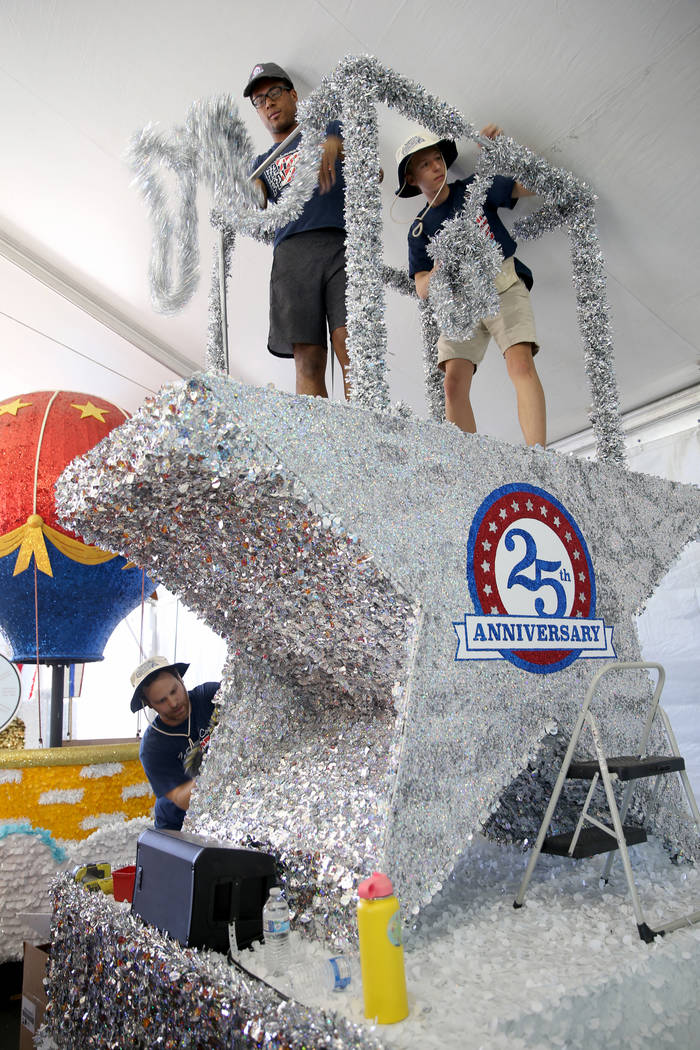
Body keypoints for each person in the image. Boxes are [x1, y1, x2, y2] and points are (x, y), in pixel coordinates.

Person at [396, 128, 547, 447]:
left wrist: (502, 151)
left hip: (500, 282)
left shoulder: (473, 189)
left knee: (519, 361)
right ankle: (469, 464)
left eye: (438, 159)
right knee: (452, 383)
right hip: (458, 302)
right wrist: (441, 265)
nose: (436, 167)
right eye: (425, 164)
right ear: (412, 178)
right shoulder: (420, 229)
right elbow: (422, 287)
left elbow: (534, 184)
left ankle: (538, 454)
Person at [245, 61, 350, 399]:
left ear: (292, 95)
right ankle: (321, 449)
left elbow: (372, 171)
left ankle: (367, 444)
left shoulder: (328, 128)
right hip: (291, 252)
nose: (268, 104)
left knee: (352, 347)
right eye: (259, 101)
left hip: (340, 245)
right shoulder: (261, 161)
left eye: (274, 93)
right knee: (308, 360)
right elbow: (254, 200)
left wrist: (334, 146)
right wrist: (249, 189)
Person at [130, 656, 220, 831]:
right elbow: (181, 798)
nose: (173, 703)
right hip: (177, 828)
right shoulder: (152, 747)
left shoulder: (209, 697)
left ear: (180, 678)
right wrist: (222, 770)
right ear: (149, 704)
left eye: (174, 691)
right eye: (161, 701)